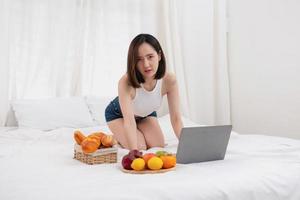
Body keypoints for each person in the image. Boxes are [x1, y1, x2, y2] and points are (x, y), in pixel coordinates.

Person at [105, 33, 183, 150]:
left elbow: (176, 118)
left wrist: (187, 144)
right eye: (139, 60)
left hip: (146, 114)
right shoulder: (125, 82)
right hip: (119, 115)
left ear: (159, 55)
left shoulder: (169, 79)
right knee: (140, 147)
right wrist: (133, 152)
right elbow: (129, 122)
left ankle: (131, 133)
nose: (146, 64)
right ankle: (118, 137)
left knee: (158, 145)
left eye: (150, 57)